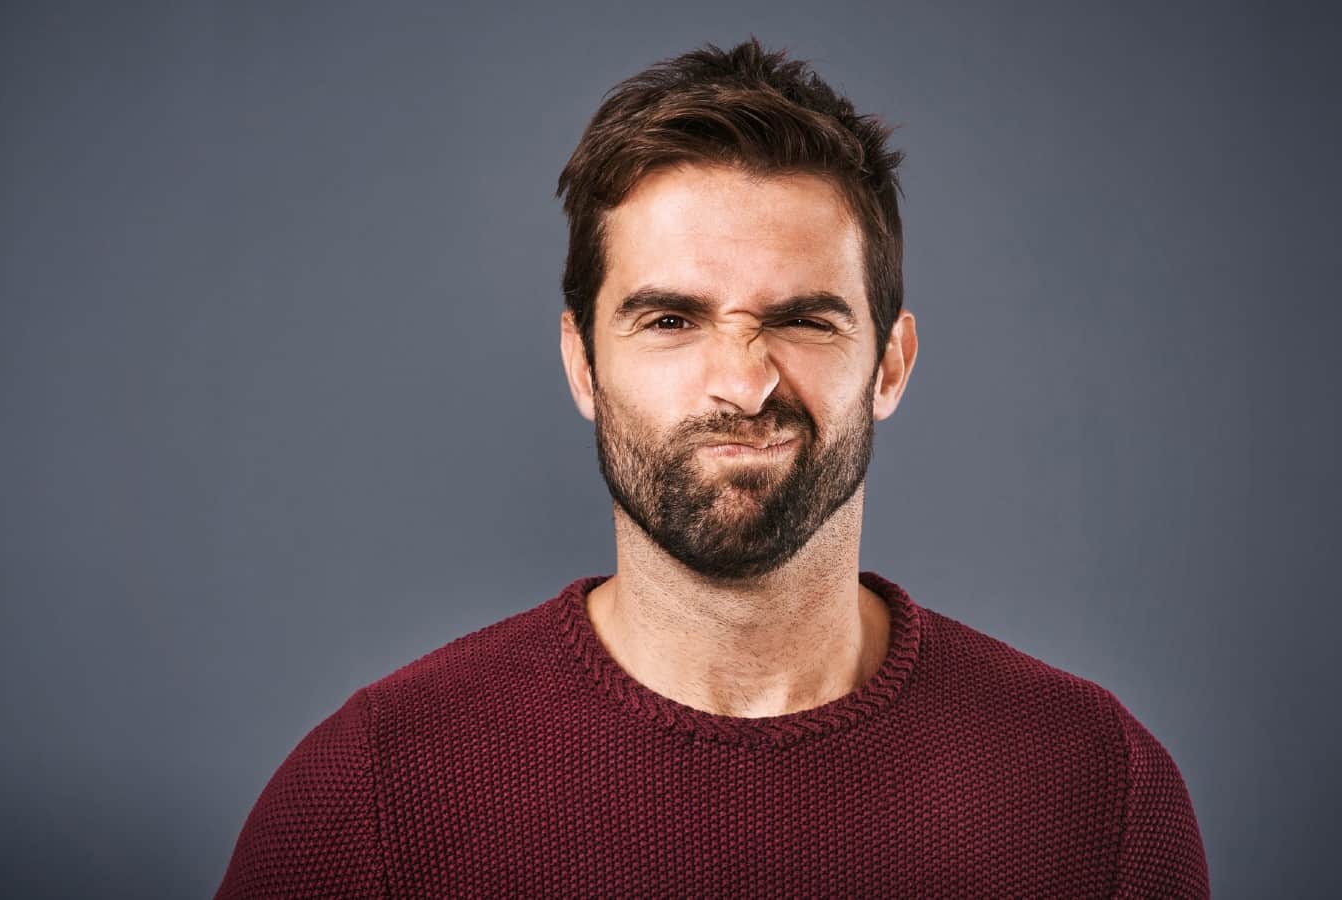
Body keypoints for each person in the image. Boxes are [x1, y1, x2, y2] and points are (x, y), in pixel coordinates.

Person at [213, 38, 1209, 898]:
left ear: (890, 364)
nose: (740, 382)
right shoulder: (374, 791)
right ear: (582, 365)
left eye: (802, 321)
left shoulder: (1093, 787)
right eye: (671, 321)